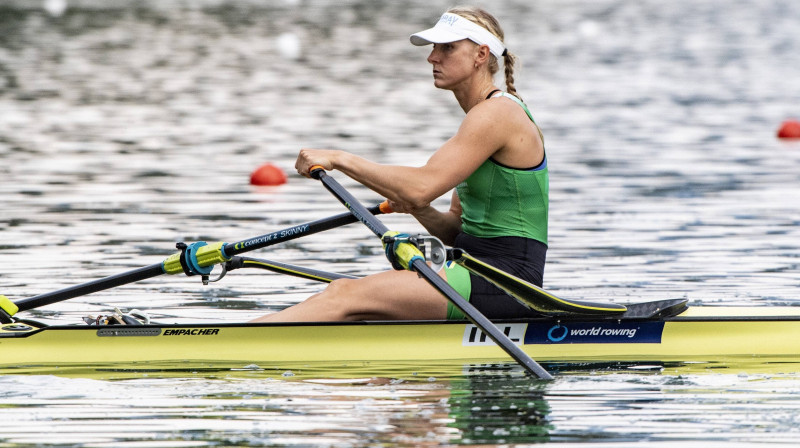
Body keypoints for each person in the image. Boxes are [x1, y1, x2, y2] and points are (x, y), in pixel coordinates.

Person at [251, 6, 547, 323]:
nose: (433, 58)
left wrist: (339, 158)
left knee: (343, 294)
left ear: (480, 54)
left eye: (447, 48)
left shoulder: (497, 115)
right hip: (475, 271)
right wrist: (419, 210)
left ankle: (231, 345)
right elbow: (456, 232)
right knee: (359, 311)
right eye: (434, 48)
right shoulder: (479, 124)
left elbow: (421, 187)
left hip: (507, 282)